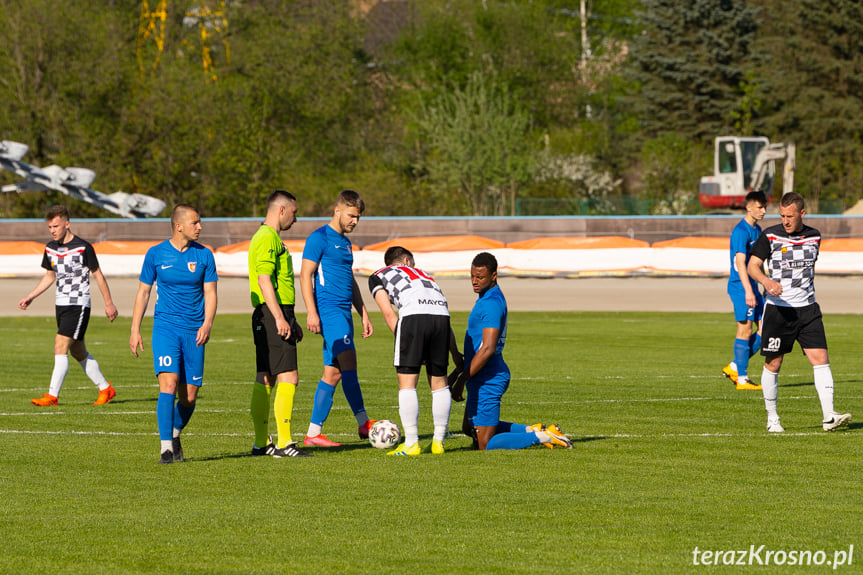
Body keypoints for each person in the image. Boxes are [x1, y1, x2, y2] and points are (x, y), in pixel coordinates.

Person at [747, 192, 851, 433]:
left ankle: (829, 417)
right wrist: (766, 281)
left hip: (808, 309)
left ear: (802, 214)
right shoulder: (769, 235)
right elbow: (753, 265)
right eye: (782, 215)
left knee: (821, 359)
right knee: (774, 363)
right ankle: (772, 419)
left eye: (790, 216)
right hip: (779, 310)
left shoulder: (814, 236)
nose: (785, 220)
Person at [449, 252, 573, 451]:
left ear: (494, 275)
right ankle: (530, 430)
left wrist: (461, 380)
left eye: (480, 277)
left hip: (488, 378)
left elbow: (488, 348)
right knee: (468, 428)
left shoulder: (490, 303)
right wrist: (458, 373)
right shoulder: (487, 297)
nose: (474, 281)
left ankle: (543, 436)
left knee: (486, 444)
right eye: (472, 276)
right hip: (479, 375)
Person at [129, 204, 218, 463]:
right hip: (165, 328)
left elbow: (211, 294)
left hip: (195, 331)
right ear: (179, 226)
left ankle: (175, 433)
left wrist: (207, 324)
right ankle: (166, 448)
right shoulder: (155, 254)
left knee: (189, 396)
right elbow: (143, 293)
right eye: (195, 222)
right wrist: (135, 330)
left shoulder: (205, 256)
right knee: (167, 384)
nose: (200, 227)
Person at [20, 205, 118, 406]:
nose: (53, 230)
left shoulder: (83, 247)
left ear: (67, 224)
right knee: (78, 351)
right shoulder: (50, 248)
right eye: (50, 227)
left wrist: (109, 303)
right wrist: (31, 296)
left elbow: (98, 275)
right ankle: (105, 389)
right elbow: (49, 277)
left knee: (60, 344)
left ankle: (52, 396)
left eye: (56, 226)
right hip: (61, 305)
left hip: (79, 304)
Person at [368, 246, 463, 455]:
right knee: (440, 384)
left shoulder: (378, 275)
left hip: (413, 318)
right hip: (442, 321)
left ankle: (411, 442)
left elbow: (388, 313)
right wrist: (455, 353)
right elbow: (442, 312)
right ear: (406, 259)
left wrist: (406, 344)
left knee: (407, 384)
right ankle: (438, 442)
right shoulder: (425, 275)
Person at [300, 190, 374, 447]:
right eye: (352, 215)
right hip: (330, 313)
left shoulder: (346, 243)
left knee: (332, 373)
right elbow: (305, 274)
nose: (354, 221)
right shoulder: (319, 238)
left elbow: (349, 279)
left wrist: (362, 311)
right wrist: (311, 311)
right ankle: (364, 423)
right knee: (349, 365)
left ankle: (312, 433)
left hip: (345, 314)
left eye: (358, 217)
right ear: (338, 210)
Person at [248, 191, 312, 458]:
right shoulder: (267, 238)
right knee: (289, 377)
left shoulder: (268, 238)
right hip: (272, 312)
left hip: (271, 312)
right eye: (294, 212)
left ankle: (261, 443)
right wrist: (279, 317)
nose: (296, 219)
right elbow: (264, 280)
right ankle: (284, 444)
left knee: (266, 376)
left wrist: (289, 318)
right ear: (282, 210)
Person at [722, 190, 767, 390]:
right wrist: (749, 290)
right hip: (741, 287)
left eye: (764, 207)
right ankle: (742, 378)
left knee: (766, 328)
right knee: (745, 328)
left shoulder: (757, 231)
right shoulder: (740, 231)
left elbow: (757, 263)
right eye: (760, 207)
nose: (764, 211)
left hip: (754, 287)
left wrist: (765, 283)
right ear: (749, 207)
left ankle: (734, 365)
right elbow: (741, 264)